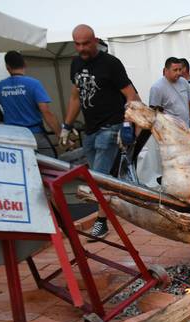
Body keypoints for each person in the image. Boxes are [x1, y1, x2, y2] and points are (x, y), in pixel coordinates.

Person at [59, 24, 141, 239]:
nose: (81, 48)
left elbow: (131, 95)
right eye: (77, 44)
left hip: (111, 126)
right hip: (91, 129)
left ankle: (101, 222)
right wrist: (66, 126)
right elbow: (76, 97)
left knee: (99, 177)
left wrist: (126, 124)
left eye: (85, 43)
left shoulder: (110, 64)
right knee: (97, 175)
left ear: (94, 40)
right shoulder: (75, 64)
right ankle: (110, 208)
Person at [136, 57, 190, 189]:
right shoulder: (157, 88)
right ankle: (173, 186)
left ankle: (186, 185)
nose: (178, 73)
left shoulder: (184, 83)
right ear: (165, 71)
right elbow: (154, 113)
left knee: (187, 159)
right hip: (169, 132)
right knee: (173, 161)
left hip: (185, 129)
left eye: (180, 69)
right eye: (175, 70)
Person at [0, 51, 59, 157]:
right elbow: (46, 112)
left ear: (7, 67)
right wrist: (60, 135)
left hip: (12, 137)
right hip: (34, 135)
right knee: (52, 165)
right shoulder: (34, 84)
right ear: (25, 64)